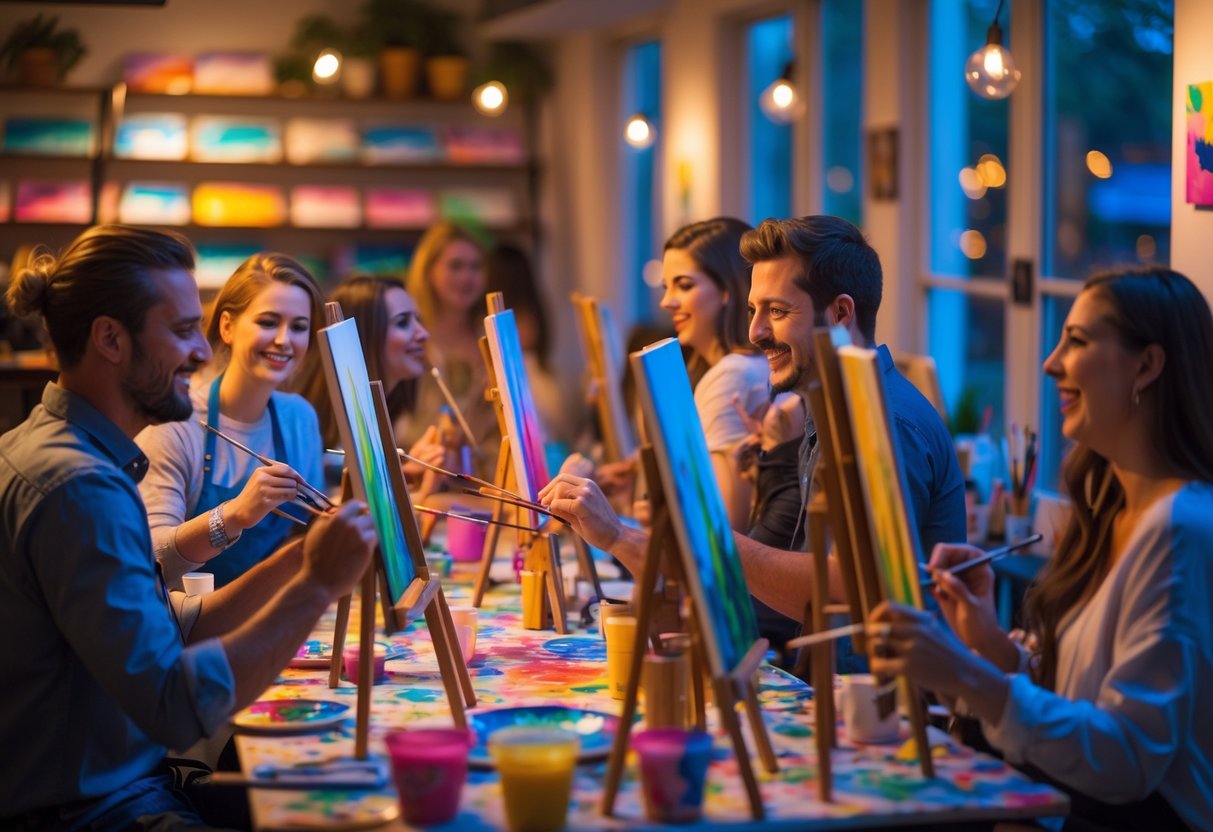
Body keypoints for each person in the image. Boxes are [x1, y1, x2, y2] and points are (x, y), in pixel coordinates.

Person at [0, 225, 376, 828]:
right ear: (110, 340)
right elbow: (175, 707)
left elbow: (171, 626)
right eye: (181, 332)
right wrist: (313, 590)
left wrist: (304, 558)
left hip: (124, 783)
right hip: (91, 807)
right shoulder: (80, 487)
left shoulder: (81, 455)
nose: (201, 353)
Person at [868, 266, 1213, 832]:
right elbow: (1082, 698)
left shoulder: (1180, 528)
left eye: (1076, 342)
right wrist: (986, 643)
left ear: (1148, 365)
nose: (1050, 363)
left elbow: (1126, 759)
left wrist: (965, 674)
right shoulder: (1109, 504)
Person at [540, 215, 965, 633]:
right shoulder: (829, 406)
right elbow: (792, 583)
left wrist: (699, 531)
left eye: (777, 311)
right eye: (752, 310)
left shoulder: (883, 426)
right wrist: (627, 536)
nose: (756, 331)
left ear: (840, 313)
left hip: (874, 696)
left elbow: (843, 594)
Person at [136, 252, 326, 589]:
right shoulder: (174, 425)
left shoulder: (299, 417)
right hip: (184, 627)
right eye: (268, 322)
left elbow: (306, 530)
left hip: (266, 614)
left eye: (299, 327)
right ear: (227, 327)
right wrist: (234, 515)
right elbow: (151, 559)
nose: (284, 340)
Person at [597, 218, 769, 530]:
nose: (666, 301)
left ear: (727, 289)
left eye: (685, 285)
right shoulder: (731, 367)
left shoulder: (732, 376)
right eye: (667, 287)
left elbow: (725, 527)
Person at [297, 275, 446, 490]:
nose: (423, 334)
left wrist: (405, 474)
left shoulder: (384, 416)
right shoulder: (316, 433)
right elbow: (340, 501)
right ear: (364, 335)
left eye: (418, 320)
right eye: (403, 322)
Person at [400, 221, 498, 477]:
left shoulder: (490, 337)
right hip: (418, 478)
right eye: (455, 266)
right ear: (428, 271)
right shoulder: (409, 337)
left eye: (476, 266)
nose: (467, 277)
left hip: (479, 484)